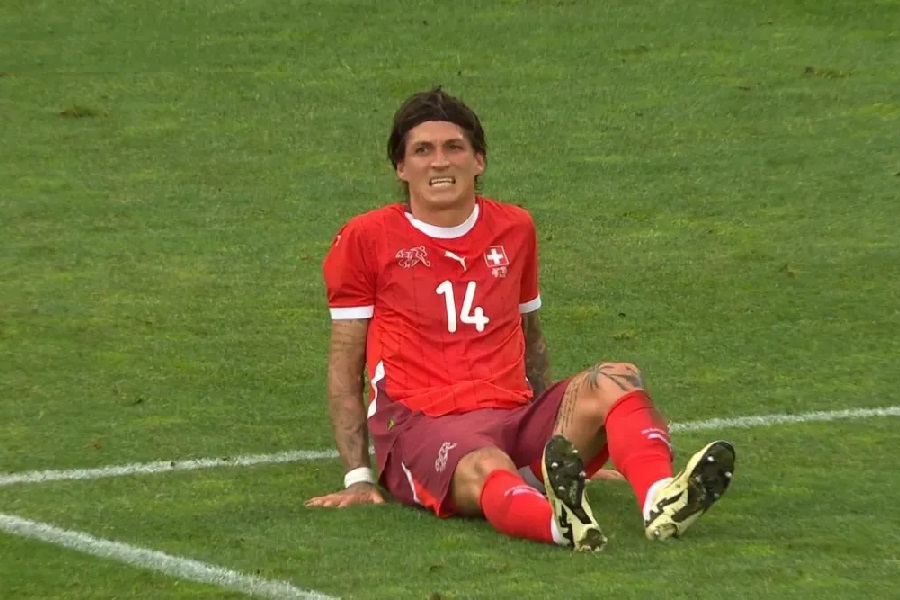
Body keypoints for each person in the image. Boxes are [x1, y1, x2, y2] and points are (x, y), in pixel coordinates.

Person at [305, 86, 736, 551]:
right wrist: (357, 476)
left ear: (479, 160)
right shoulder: (366, 237)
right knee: (487, 462)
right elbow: (345, 365)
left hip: (513, 414)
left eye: (454, 147)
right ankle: (558, 525)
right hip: (423, 425)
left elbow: (532, 339)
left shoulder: (515, 228)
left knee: (616, 378)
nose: (440, 162)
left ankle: (660, 497)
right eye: (423, 150)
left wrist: (563, 441)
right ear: (401, 167)